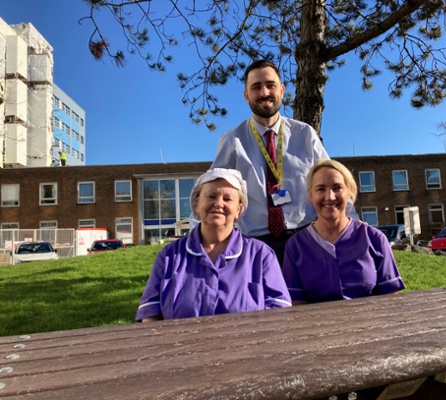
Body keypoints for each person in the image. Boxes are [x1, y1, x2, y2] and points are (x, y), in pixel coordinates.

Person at [209, 59, 358, 263]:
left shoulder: (305, 134)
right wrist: (198, 237)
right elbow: (211, 192)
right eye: (256, 87)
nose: (264, 93)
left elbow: (333, 183)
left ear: (282, 90)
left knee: (309, 296)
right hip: (254, 246)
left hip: (306, 239)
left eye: (270, 85)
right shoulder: (232, 141)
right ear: (246, 96)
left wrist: (353, 226)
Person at [136, 168, 291, 322]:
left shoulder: (261, 255)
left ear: (238, 210)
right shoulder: (169, 256)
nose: (218, 204)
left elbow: (279, 314)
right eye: (211, 196)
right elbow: (150, 314)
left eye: (228, 199)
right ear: (196, 204)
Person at [282, 159, 405, 305]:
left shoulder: (374, 238)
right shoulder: (296, 245)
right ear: (310, 195)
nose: (330, 197)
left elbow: (389, 298)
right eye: (320, 189)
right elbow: (297, 304)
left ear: (349, 192)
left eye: (337, 188)